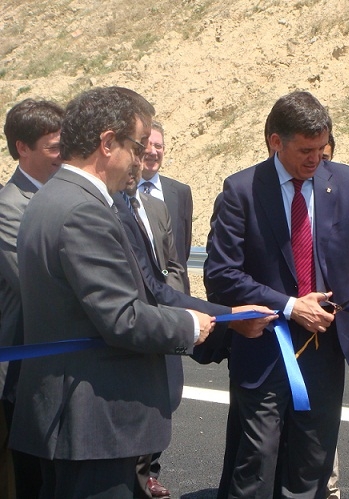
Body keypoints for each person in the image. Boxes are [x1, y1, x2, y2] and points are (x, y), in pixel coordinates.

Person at [205, 90, 349, 498]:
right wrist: (288, 305)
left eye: (321, 149)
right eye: (305, 150)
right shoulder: (242, 190)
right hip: (265, 345)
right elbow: (220, 273)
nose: (315, 159)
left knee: (312, 466)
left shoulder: (345, 181)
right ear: (275, 142)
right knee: (256, 463)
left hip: (326, 348)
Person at [8, 87, 216, 499]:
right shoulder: (84, 209)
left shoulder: (53, 196)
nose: (141, 161)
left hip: (70, 421)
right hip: (92, 425)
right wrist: (190, 325)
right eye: (137, 147)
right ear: (107, 143)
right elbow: (122, 317)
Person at [114, 148, 276, 499]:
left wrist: (219, 317)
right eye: (137, 147)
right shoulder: (99, 209)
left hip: (163, 327)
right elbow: (140, 300)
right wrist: (220, 319)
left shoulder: (155, 204)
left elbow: (169, 273)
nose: (143, 159)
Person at [0, 98, 64, 498]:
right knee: (31, 484)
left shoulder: (64, 196)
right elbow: (37, 288)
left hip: (63, 366)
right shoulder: (10, 209)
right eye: (54, 146)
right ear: (23, 148)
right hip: (26, 373)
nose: (64, 155)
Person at [140, 122, 193, 294]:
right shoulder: (121, 191)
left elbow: (182, 249)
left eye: (158, 146)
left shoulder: (180, 192)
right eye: (147, 145)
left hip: (176, 294)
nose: (153, 152)